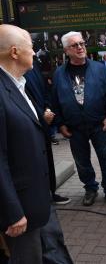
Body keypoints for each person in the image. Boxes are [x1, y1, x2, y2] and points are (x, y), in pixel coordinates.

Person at [0, 24, 51, 264]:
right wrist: (13, 212)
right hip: (20, 212)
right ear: (14, 52)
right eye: (30, 48)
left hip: (37, 201)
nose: (35, 52)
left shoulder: (19, 83)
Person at [51, 31, 106, 207]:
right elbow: (54, 100)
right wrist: (60, 124)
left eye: (82, 43)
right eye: (75, 45)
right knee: (82, 161)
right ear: (66, 50)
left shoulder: (98, 68)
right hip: (74, 127)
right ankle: (90, 188)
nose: (80, 47)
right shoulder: (59, 73)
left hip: (99, 124)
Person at [24, 58, 71, 205]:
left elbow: (45, 90)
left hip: (44, 119)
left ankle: (51, 193)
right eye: (29, 47)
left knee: (47, 158)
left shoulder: (32, 64)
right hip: (31, 122)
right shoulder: (10, 73)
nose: (33, 52)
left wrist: (48, 108)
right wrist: (40, 114)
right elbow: (23, 98)